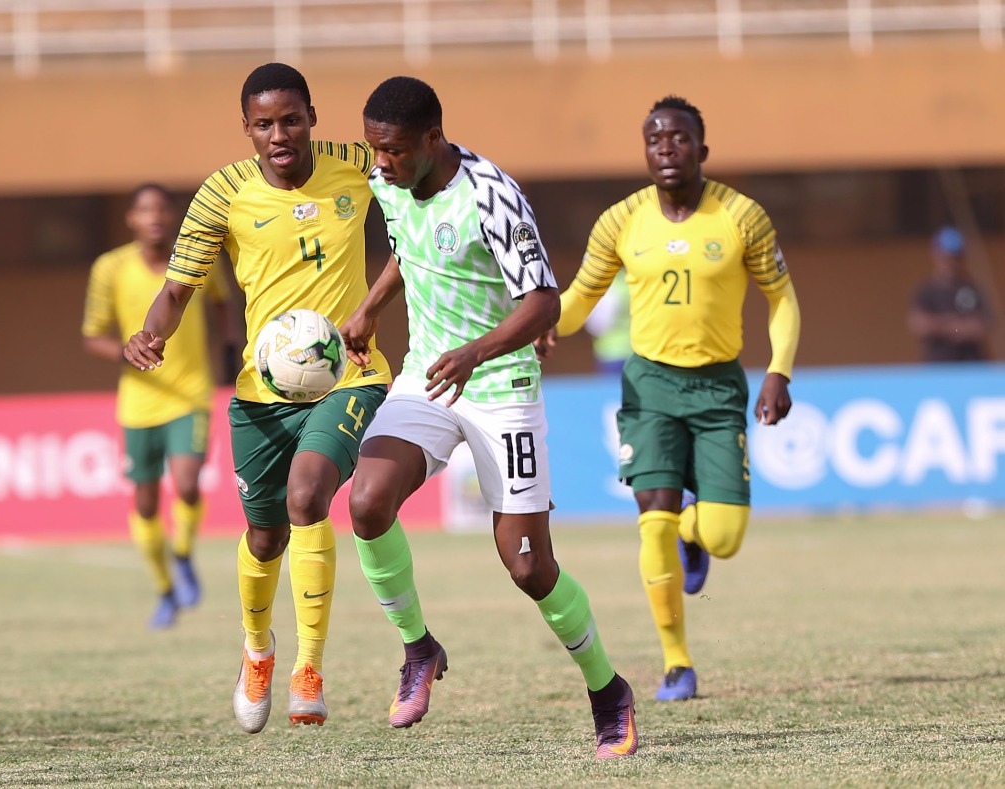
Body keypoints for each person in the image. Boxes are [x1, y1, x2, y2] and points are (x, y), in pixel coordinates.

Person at [340, 76, 638, 761]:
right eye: (374, 149)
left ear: (432, 139)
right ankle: (419, 647)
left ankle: (608, 690)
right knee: (366, 501)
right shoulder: (389, 182)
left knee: (528, 566)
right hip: (427, 374)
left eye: (393, 150)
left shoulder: (491, 195)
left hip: (501, 382)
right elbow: (410, 249)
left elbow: (543, 302)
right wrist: (370, 308)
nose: (380, 163)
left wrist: (476, 352)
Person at [122, 63, 392, 733]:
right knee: (266, 535)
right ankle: (257, 650)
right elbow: (178, 289)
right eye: (264, 124)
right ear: (246, 128)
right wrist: (151, 335)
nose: (280, 134)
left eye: (291, 120)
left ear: (312, 118)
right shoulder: (222, 192)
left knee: (308, 496)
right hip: (262, 391)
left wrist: (380, 299)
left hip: (351, 376)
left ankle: (310, 668)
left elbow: (425, 201)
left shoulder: (357, 165)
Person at [540, 96, 801, 702]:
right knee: (651, 522)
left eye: (678, 138)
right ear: (645, 151)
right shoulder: (620, 220)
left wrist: (779, 372)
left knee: (725, 537)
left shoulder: (742, 216)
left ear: (701, 149)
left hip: (718, 387)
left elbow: (782, 298)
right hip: (649, 386)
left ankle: (693, 532)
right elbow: (580, 297)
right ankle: (677, 663)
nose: (666, 147)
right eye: (654, 138)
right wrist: (546, 324)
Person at [82, 183, 232, 630]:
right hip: (139, 402)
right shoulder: (110, 267)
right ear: (131, 218)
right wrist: (125, 352)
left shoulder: (198, 258)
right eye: (145, 210)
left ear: (174, 216)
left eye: (163, 209)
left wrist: (230, 346)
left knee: (186, 484)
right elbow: (92, 336)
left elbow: (222, 301)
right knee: (146, 505)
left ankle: (182, 553)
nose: (155, 217)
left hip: (190, 393)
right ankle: (165, 589)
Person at [907, 226, 992, 362]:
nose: (951, 262)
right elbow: (920, 326)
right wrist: (956, 326)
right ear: (936, 254)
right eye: (946, 256)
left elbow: (981, 327)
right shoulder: (926, 291)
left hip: (971, 365)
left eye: (956, 256)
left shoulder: (973, 289)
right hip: (938, 366)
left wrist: (940, 325)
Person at [584, 267, 632, 374]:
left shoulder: (608, 286)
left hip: (610, 352)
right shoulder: (630, 281)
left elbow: (598, 324)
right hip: (634, 350)